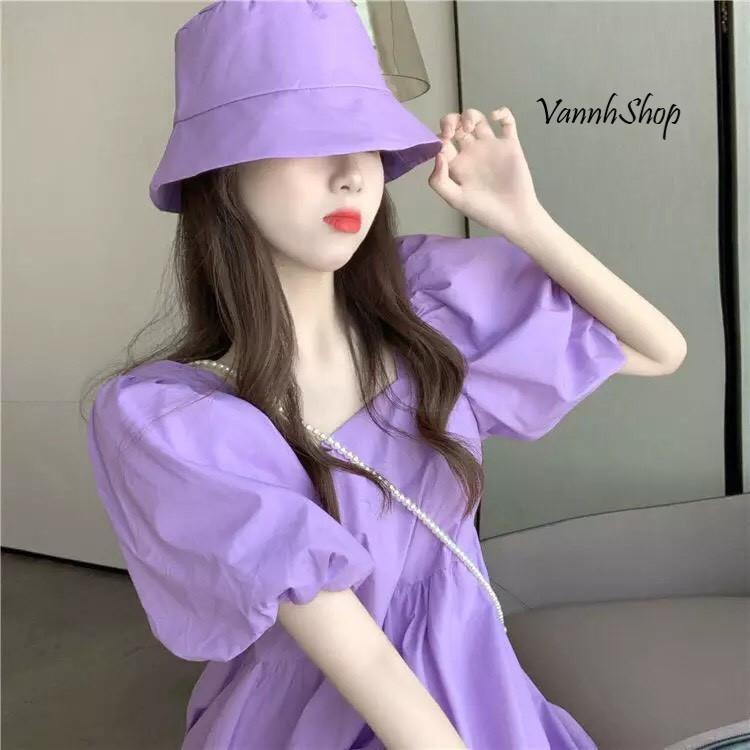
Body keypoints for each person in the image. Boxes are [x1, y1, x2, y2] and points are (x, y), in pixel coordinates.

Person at [84, 2, 687, 749]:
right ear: (223, 176)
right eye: (310, 141)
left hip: (480, 690)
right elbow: (366, 661)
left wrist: (522, 218)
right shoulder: (181, 423)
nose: (351, 176)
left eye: (365, 142)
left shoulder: (425, 313)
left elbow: (658, 349)